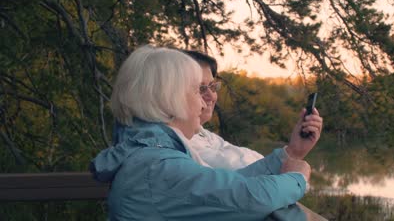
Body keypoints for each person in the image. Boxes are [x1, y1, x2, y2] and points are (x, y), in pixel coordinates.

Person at [90, 45, 316, 221]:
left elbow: (227, 184)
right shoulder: (157, 166)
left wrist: (283, 159)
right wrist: (297, 178)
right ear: (171, 99)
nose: (203, 102)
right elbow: (249, 197)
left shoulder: (150, 156)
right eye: (196, 91)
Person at [184, 50, 323, 170]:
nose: (211, 95)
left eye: (212, 86)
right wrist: (293, 165)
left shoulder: (204, 135)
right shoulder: (182, 146)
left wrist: (294, 151)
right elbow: (242, 176)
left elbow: (249, 164)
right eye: (201, 88)